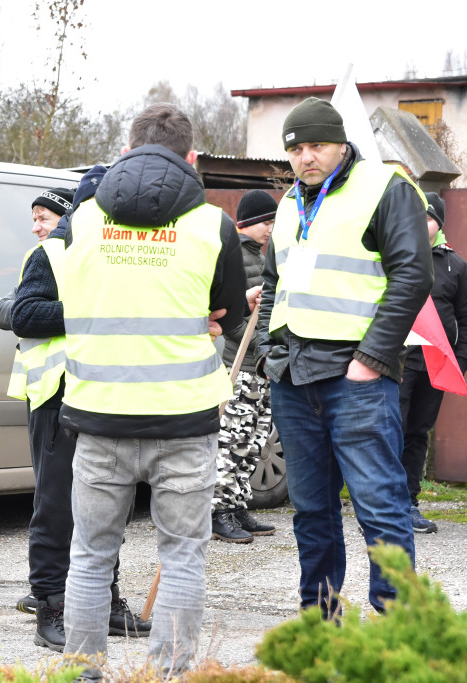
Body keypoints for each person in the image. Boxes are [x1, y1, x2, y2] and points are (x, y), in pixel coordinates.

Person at [59, 103, 245, 678]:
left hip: (99, 416)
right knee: (184, 557)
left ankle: (83, 673)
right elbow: (230, 312)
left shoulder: (81, 218)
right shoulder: (214, 225)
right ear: (191, 159)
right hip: (184, 420)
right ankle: (169, 675)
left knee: (90, 557)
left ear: (125, 151)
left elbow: (67, 293)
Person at [255, 97, 432, 617]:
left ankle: (396, 624)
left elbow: (412, 277)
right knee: (311, 511)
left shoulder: (387, 188)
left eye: (317, 146)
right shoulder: (290, 204)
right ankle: (320, 617)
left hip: (355, 375)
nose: (306, 157)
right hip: (293, 376)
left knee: (380, 505)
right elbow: (273, 283)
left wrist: (372, 359)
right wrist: (269, 349)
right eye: (297, 149)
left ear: (341, 143)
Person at [1, 180, 152, 652]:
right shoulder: (53, 252)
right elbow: (24, 315)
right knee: (58, 505)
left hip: (109, 394)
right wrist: (91, 311)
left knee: (111, 503)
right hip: (58, 396)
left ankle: (101, 602)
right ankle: (51, 606)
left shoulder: (123, 251)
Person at [213, 190, 278, 543]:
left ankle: (237, 505)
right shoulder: (236, 256)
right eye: (267, 221)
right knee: (232, 440)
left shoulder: (261, 257)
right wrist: (261, 344)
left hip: (261, 367)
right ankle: (218, 510)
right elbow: (232, 317)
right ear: (249, 222)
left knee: (253, 441)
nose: (270, 228)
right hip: (240, 368)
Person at [399, 192, 467, 534]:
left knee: (416, 434)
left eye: (426, 217)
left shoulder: (456, 265)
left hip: (434, 363)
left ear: (438, 223)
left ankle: (408, 503)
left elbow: (464, 318)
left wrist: (460, 360)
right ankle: (383, 505)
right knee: (388, 432)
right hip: (395, 363)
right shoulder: (393, 256)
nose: (418, 223)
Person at [0, 187, 74, 331]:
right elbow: (0, 312)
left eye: (43, 219)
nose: (34, 228)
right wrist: (23, 308)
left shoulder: (82, 254)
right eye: (35, 220)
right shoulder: (40, 253)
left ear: (67, 219)